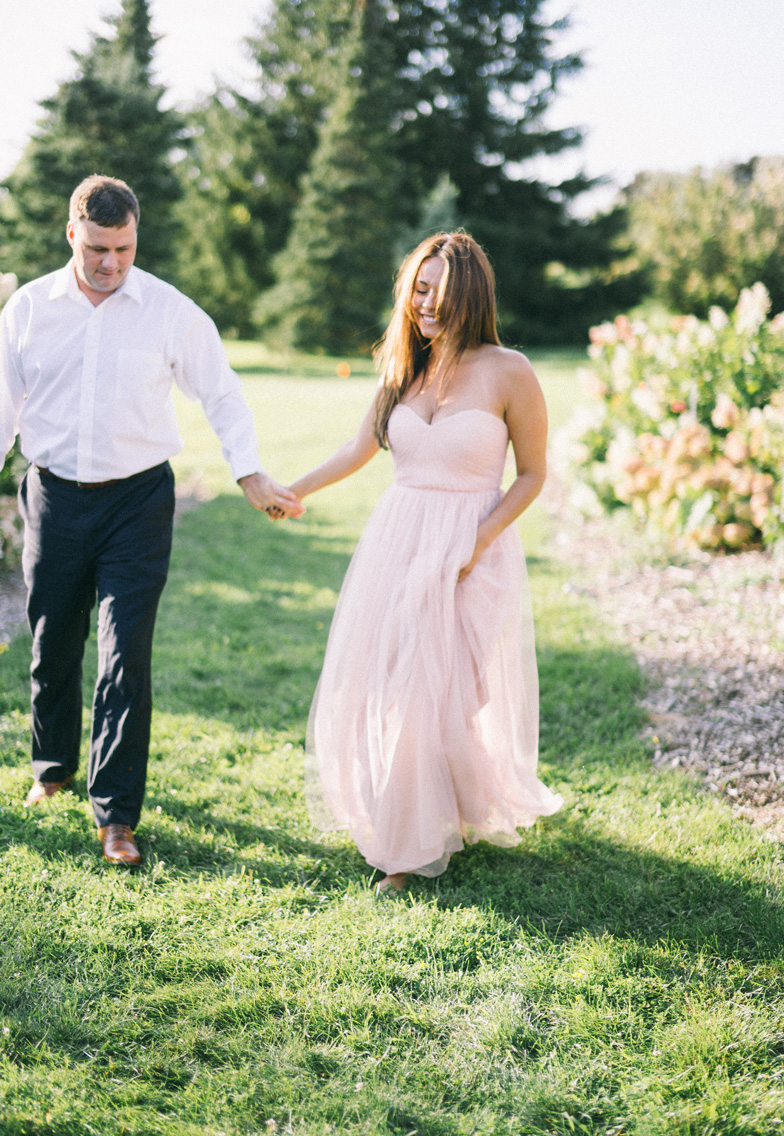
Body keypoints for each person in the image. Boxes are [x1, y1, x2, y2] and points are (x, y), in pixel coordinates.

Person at [0, 174, 302, 866]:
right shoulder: (26, 310)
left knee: (124, 655)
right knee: (51, 641)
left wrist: (249, 471)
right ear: (71, 233)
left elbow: (222, 394)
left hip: (137, 502)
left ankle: (116, 816)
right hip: (52, 494)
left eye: (125, 249)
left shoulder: (169, 312)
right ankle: (52, 770)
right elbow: (1, 407)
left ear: (138, 237)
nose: (111, 264)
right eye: (99, 249)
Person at [286, 231, 563, 892]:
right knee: (399, 685)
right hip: (397, 543)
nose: (425, 304)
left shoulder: (509, 371)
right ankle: (407, 844)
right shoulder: (401, 367)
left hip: (472, 548)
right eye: (418, 287)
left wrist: (479, 540)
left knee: (445, 694)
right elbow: (359, 449)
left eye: (438, 291)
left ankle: (430, 826)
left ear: (472, 295)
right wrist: (290, 492)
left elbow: (531, 475)